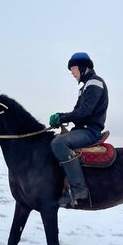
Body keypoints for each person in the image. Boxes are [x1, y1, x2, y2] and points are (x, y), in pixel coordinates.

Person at [49, 52, 109, 206]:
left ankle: (79, 189)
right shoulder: (84, 87)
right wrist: (60, 116)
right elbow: (77, 112)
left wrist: (61, 118)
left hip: (90, 131)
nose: (72, 73)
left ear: (83, 67)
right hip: (80, 130)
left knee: (58, 143)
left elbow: (85, 112)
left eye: (73, 68)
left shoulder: (95, 82)